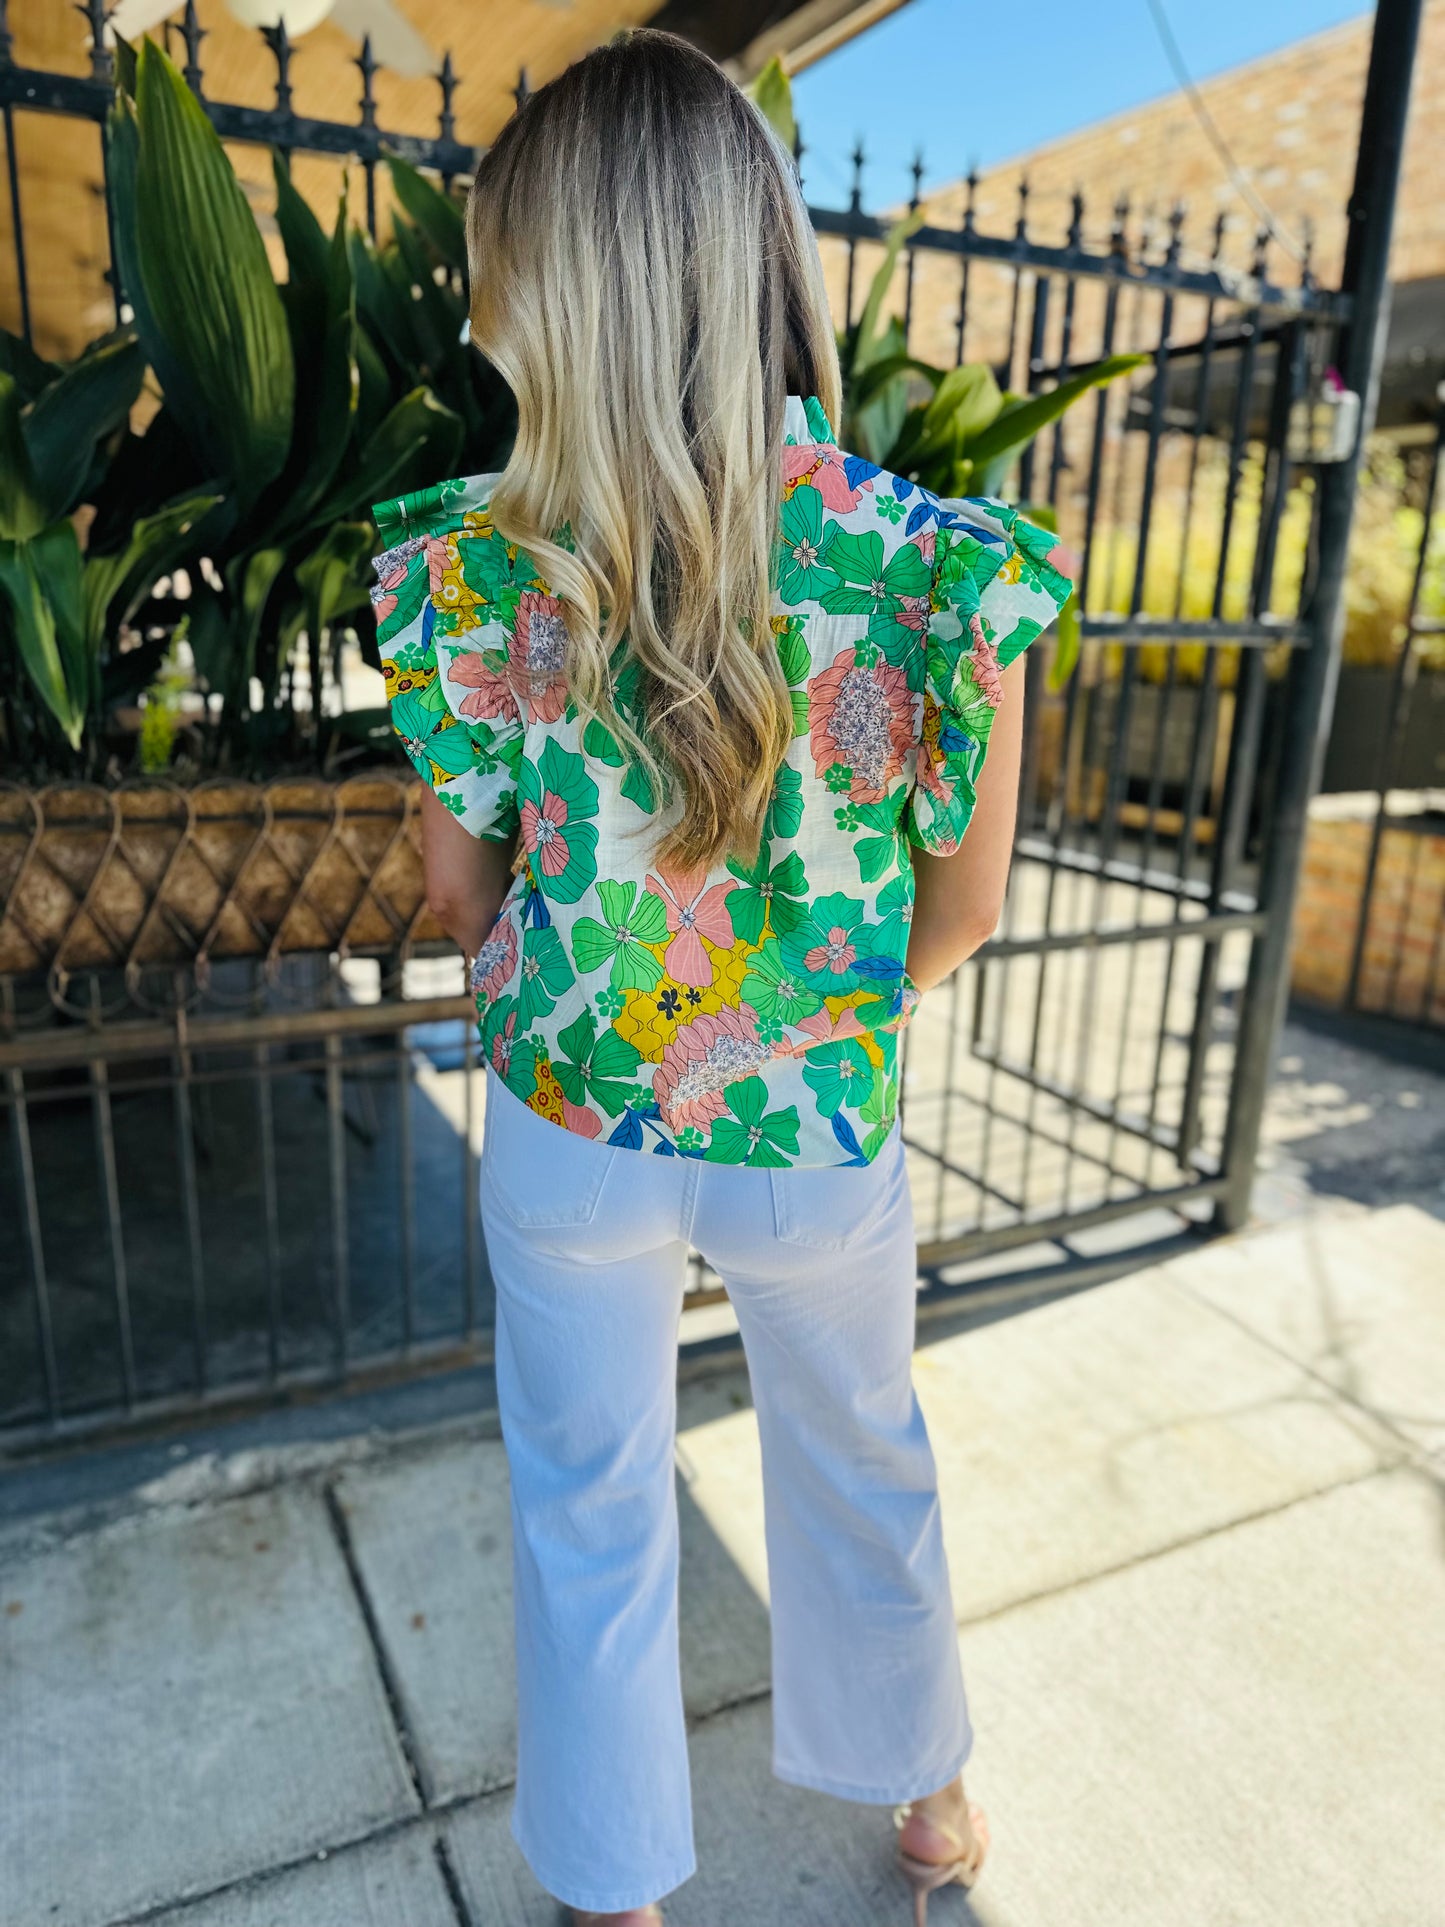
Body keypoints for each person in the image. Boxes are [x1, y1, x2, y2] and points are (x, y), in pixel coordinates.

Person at [371, 28, 1072, 1925]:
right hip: (810, 1123)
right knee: (861, 1449)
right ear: (758, 253)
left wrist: (566, 992)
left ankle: (614, 1892)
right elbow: (967, 907)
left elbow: (455, 886)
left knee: (584, 1501)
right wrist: (808, 1023)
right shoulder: (928, 571)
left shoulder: (476, 574)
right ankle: (926, 1800)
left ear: (550, 285)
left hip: (566, 1115)